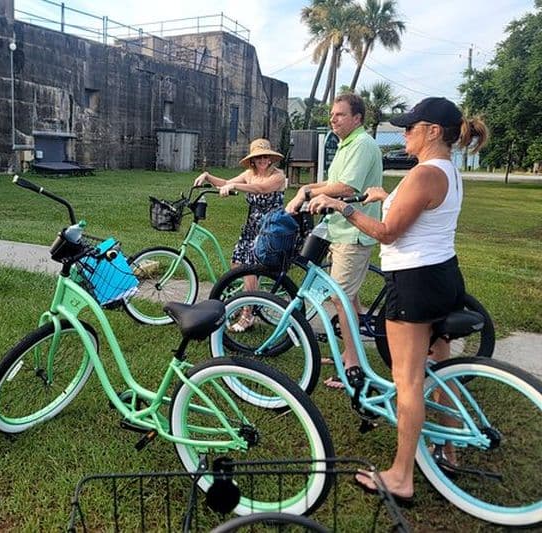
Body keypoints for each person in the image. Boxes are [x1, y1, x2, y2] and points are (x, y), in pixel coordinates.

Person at [308, 97, 488, 502]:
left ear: (433, 132)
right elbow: (418, 213)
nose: (403, 133)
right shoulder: (447, 171)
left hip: (414, 282)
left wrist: (343, 208)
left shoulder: (425, 174)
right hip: (444, 275)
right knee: (440, 369)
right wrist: (382, 195)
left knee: (407, 380)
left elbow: (389, 233)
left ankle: (401, 475)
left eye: (410, 127)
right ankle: (449, 446)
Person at [285, 93, 383, 389]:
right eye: (332, 114)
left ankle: (354, 365)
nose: (333, 118)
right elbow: (329, 184)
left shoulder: (362, 144)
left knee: (338, 299)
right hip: (338, 229)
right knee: (347, 298)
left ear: (357, 118)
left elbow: (346, 187)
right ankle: (347, 351)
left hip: (353, 233)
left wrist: (309, 194)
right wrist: (304, 190)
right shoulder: (345, 144)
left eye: (340, 114)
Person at [193, 138, 286, 332]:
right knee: (237, 264)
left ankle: (248, 314)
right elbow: (226, 183)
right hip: (252, 226)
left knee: (249, 270)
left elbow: (262, 189)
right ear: (253, 160)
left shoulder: (278, 176)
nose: (262, 160)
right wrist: (208, 176)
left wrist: (235, 187)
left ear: (271, 159)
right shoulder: (249, 174)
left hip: (270, 228)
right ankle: (243, 302)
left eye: (265, 156)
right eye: (258, 157)